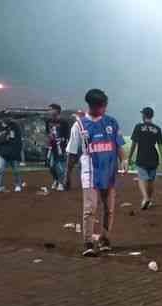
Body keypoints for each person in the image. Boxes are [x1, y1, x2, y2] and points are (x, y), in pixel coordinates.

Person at [66, 89, 127, 257]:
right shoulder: (79, 126)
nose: (105, 108)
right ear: (93, 106)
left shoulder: (111, 122)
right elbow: (72, 153)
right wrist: (67, 175)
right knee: (90, 208)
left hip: (109, 173)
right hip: (90, 173)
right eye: (102, 106)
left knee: (109, 209)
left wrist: (124, 159)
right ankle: (88, 242)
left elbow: (119, 145)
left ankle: (105, 239)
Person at [129, 107, 162, 210]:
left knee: (141, 178)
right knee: (151, 180)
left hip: (142, 156)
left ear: (144, 115)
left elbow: (134, 143)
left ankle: (145, 198)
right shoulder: (157, 128)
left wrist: (130, 157)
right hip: (154, 157)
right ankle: (149, 199)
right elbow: (160, 145)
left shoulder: (138, 127)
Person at [0, 117, 24, 192]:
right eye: (5, 116)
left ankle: (18, 185)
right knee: (0, 169)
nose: (8, 118)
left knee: (16, 170)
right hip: (3, 152)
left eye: (9, 116)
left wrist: (18, 150)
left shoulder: (15, 126)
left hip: (13, 152)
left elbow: (18, 139)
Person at [45, 103, 71, 191]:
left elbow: (67, 135)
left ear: (57, 111)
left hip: (61, 147)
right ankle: (56, 180)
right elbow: (47, 133)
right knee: (51, 166)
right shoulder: (48, 121)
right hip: (51, 147)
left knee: (60, 166)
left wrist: (62, 142)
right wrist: (49, 138)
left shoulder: (64, 122)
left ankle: (61, 183)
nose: (49, 111)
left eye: (51, 109)